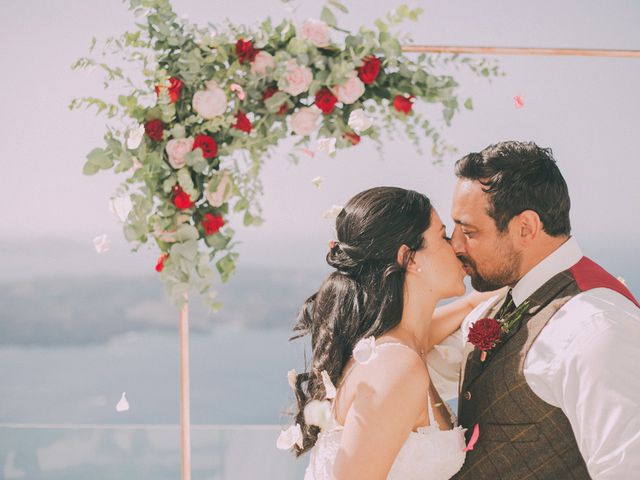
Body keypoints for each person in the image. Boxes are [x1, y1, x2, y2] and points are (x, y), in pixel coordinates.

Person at [429, 141, 640, 479]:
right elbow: (425, 366)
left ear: (525, 228)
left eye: (468, 231)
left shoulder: (595, 327)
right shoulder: (498, 304)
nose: (455, 245)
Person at [281, 186, 495, 479]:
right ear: (410, 258)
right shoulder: (395, 367)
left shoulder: (392, 347)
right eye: (443, 236)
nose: (457, 247)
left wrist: (477, 300)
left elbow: (424, 332)